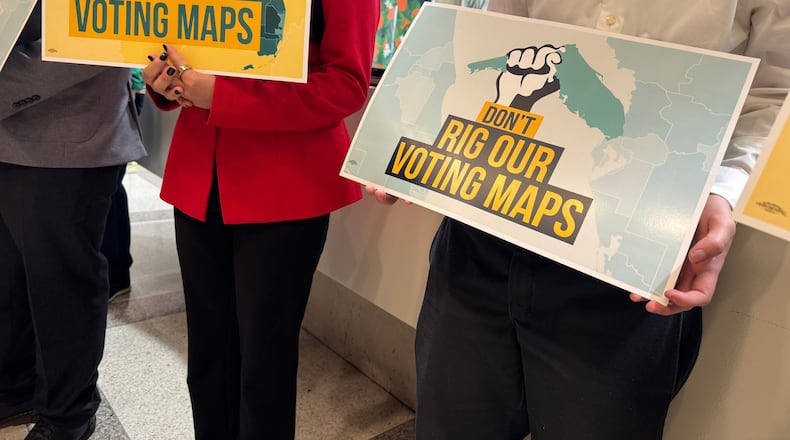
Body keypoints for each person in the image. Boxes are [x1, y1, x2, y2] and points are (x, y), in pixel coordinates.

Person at [367, 0, 790, 438]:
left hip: (630, 255)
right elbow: (497, 28)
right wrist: (422, 130)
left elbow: (775, 93)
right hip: (484, 226)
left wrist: (723, 189)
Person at [140, 1, 379, 438]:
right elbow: (184, 41)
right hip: (200, 172)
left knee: (263, 362)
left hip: (283, 183)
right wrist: (166, 79)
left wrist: (221, 95)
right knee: (208, 357)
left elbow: (346, 85)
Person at [0, 2, 146, 439]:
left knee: (60, 285)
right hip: (8, 140)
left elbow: (106, 38)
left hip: (69, 141)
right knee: (9, 281)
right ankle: (13, 389)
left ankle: (68, 415)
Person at [101, 68, 146, 303]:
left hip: (124, 93)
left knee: (110, 187)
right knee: (112, 187)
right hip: (125, 92)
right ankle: (117, 274)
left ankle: (117, 274)